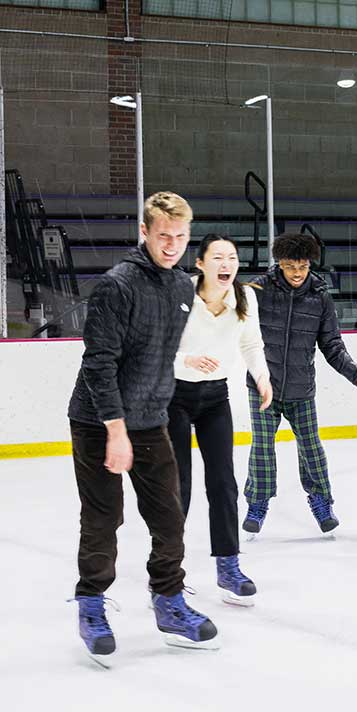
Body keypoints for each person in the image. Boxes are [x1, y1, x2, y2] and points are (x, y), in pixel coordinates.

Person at [68, 191, 217, 663]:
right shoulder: (117, 285)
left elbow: (151, 350)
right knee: (103, 517)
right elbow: (99, 363)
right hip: (98, 420)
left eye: (180, 236)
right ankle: (91, 601)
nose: (172, 244)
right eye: (163, 235)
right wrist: (115, 430)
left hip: (151, 419)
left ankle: (169, 602)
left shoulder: (180, 288)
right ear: (144, 233)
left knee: (170, 516)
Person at [168, 233, 272, 606]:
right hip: (173, 397)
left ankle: (228, 565)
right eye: (218, 257)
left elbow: (251, 343)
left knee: (224, 484)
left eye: (232, 257)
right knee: (177, 488)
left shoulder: (245, 297)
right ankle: (167, 575)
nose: (226, 264)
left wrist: (261, 376)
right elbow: (156, 347)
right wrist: (187, 360)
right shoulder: (179, 293)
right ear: (200, 263)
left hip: (215, 398)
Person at [242, 232, 357, 536]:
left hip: (301, 390)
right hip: (262, 387)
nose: (297, 273)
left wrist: (355, 373)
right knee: (261, 448)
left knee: (311, 448)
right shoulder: (259, 290)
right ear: (279, 264)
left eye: (303, 267)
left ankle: (322, 502)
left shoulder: (320, 297)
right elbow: (234, 326)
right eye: (290, 267)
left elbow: (332, 345)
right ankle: (258, 503)